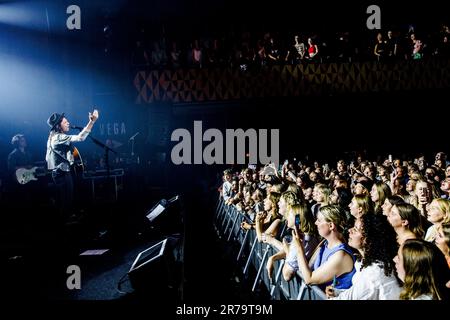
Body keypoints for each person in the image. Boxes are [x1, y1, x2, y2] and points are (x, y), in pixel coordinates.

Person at [327, 214, 401, 300]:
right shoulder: (364, 262)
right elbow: (359, 291)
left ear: (368, 240)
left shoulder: (373, 273)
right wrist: (337, 292)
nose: (350, 230)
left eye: (356, 229)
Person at [46, 109, 99, 222]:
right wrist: (92, 122)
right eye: (65, 122)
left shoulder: (52, 137)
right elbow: (80, 138)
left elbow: (48, 158)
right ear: (58, 126)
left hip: (60, 172)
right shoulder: (58, 137)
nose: (68, 123)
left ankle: (67, 222)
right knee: (66, 202)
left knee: (66, 201)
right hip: (61, 173)